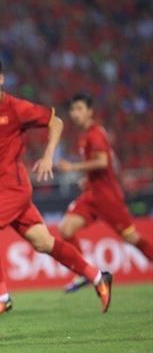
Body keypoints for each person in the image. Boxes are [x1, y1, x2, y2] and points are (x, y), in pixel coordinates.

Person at [0, 54, 112, 321]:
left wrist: (49, 155)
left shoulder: (16, 107)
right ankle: (97, 275)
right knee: (44, 243)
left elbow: (56, 121)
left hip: (12, 186)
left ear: (1, 79)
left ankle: (2, 298)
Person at [56, 94, 153, 292]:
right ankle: (84, 272)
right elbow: (111, 163)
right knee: (66, 229)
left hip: (107, 198)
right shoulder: (85, 135)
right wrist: (89, 178)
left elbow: (103, 162)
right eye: (73, 110)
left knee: (132, 238)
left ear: (90, 111)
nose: (75, 114)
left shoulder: (94, 134)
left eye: (79, 109)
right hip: (92, 195)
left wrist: (74, 167)